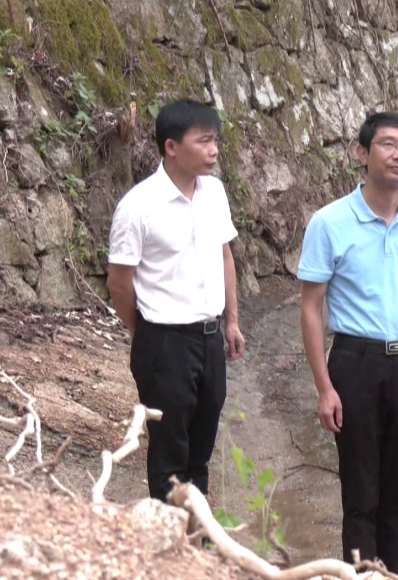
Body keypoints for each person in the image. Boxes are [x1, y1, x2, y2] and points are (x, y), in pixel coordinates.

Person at [296, 112, 398, 573]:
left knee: (396, 490)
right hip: (355, 365)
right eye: (388, 144)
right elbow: (311, 308)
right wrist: (324, 388)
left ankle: (389, 571)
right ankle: (362, 573)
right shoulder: (330, 222)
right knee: (361, 491)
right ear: (362, 154)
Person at [107, 99, 246, 502]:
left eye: (215, 141)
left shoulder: (213, 192)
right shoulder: (138, 207)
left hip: (210, 338)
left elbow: (224, 255)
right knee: (169, 450)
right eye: (203, 141)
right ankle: (166, 533)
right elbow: (120, 283)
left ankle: (195, 532)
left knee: (201, 450)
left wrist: (232, 321)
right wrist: (147, 333)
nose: (214, 151)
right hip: (164, 342)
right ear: (171, 147)